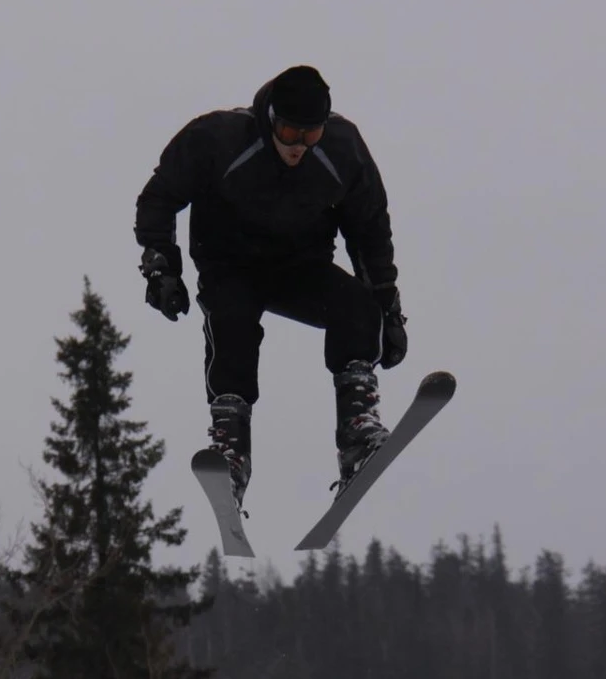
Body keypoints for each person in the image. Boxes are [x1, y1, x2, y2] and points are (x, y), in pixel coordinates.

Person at [135, 64, 409, 509]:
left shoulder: (343, 151)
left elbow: (370, 231)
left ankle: (357, 432)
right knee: (232, 323)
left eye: (311, 136)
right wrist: (161, 267)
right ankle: (231, 449)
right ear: (270, 119)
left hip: (300, 267)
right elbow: (159, 198)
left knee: (356, 308)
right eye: (288, 132)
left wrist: (388, 311)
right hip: (230, 265)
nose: (298, 146)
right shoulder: (218, 139)